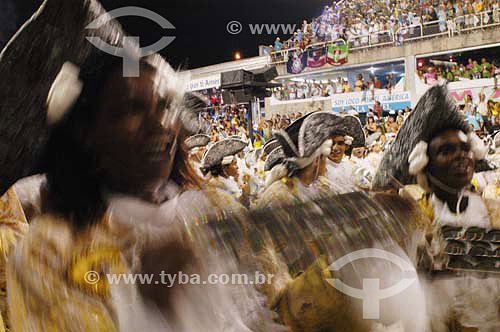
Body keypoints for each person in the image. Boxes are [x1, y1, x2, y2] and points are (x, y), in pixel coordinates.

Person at [1, 2, 277, 331]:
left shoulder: (203, 211)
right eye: (131, 107)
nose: (161, 124)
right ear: (86, 133)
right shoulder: (46, 253)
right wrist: (152, 310)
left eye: (164, 105)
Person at [373, 85, 500, 331]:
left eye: (465, 149)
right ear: (426, 166)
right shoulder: (410, 221)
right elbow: (379, 304)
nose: (461, 156)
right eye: (446, 150)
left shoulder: (493, 212)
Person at [325, 115, 366, 194]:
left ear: (347, 146)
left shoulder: (352, 168)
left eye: (340, 143)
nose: (335, 148)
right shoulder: (319, 170)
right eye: (332, 143)